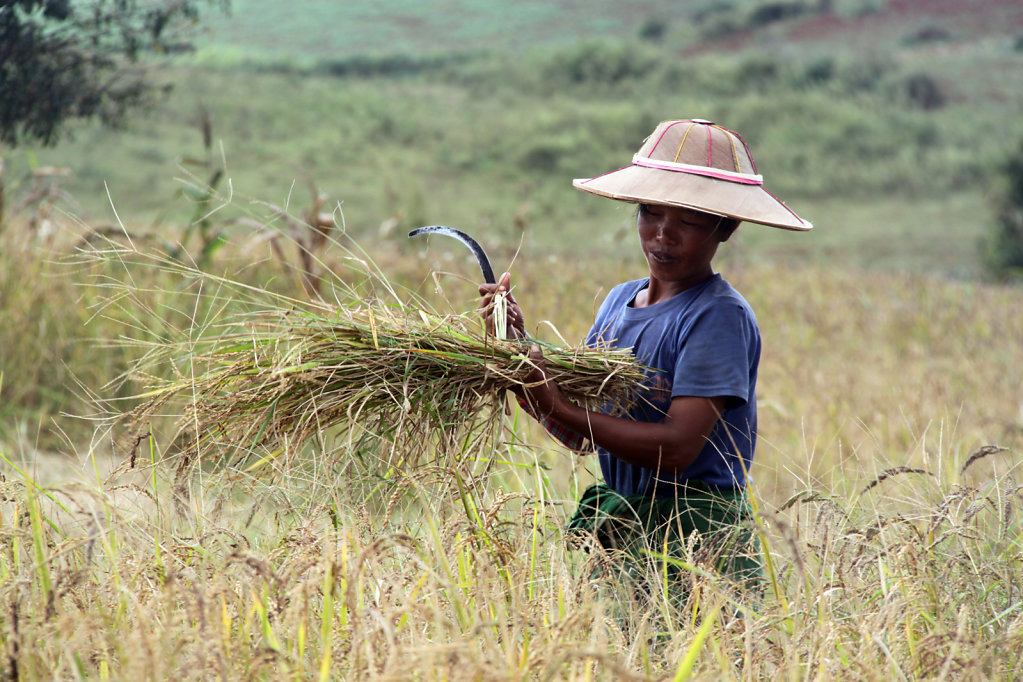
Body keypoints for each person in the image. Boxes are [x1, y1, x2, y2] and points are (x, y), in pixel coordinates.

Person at [478, 118, 811, 607]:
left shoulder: (717, 315)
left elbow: (677, 447)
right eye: (649, 213)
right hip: (626, 539)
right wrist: (518, 353)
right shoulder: (619, 302)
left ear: (727, 227)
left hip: (696, 542)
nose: (662, 235)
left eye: (688, 221)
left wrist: (561, 405)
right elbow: (583, 432)